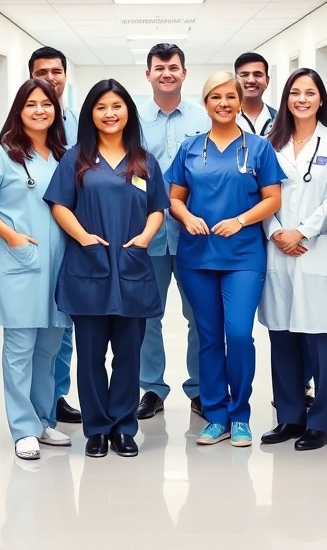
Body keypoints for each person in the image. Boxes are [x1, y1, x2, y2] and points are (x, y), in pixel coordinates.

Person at [44, 79, 169, 458]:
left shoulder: (144, 161)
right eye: (101, 107)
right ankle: (97, 429)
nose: (110, 113)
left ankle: (124, 427)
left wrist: (146, 238)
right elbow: (59, 204)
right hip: (91, 265)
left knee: (129, 354)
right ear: (91, 114)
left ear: (128, 111)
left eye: (116, 105)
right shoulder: (77, 157)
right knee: (91, 353)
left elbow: (158, 210)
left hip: (131, 266)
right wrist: (82, 237)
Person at [166, 71, 284, 447]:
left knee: (238, 334)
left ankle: (241, 414)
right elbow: (174, 199)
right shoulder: (190, 149)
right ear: (205, 104)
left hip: (243, 255)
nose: (224, 103)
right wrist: (187, 217)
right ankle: (215, 416)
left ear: (239, 101)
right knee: (209, 337)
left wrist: (241, 220)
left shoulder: (259, 148)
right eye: (215, 97)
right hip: (197, 256)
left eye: (230, 96)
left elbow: (272, 199)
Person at [0, 79, 73, 460]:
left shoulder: (64, 154)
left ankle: (43, 420)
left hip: (60, 264)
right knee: (19, 349)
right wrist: (10, 236)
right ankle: (23, 428)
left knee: (49, 348)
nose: (40, 110)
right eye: (31, 104)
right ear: (19, 110)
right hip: (21, 262)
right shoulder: (2, 154)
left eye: (46, 104)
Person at [258, 68, 327, 451]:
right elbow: (258, 192)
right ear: (286, 99)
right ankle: (290, 417)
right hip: (277, 247)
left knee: (320, 337)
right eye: (295, 93)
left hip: (318, 245)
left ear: (320, 99)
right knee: (281, 336)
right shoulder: (269, 142)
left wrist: (302, 231)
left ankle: (321, 420)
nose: (302, 99)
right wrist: (277, 231)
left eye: (310, 93)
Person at [136, 43, 210, 420]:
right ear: (147, 73)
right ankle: (151, 388)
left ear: (185, 72)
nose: (167, 73)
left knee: (199, 315)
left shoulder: (205, 118)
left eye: (174, 67)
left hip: (195, 234)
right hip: (146, 233)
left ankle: (200, 388)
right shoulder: (131, 117)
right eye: (159, 67)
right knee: (148, 315)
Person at [28, 45, 82, 425]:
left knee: (65, 325)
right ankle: (37, 402)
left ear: (65, 75)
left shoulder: (82, 123)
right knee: (36, 328)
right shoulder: (21, 125)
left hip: (76, 235)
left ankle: (58, 395)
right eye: (42, 71)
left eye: (56, 71)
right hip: (34, 237)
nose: (50, 77)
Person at [235, 52, 276, 136]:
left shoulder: (281, 120)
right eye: (244, 75)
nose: (251, 80)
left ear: (267, 81)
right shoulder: (225, 119)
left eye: (257, 74)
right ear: (235, 81)